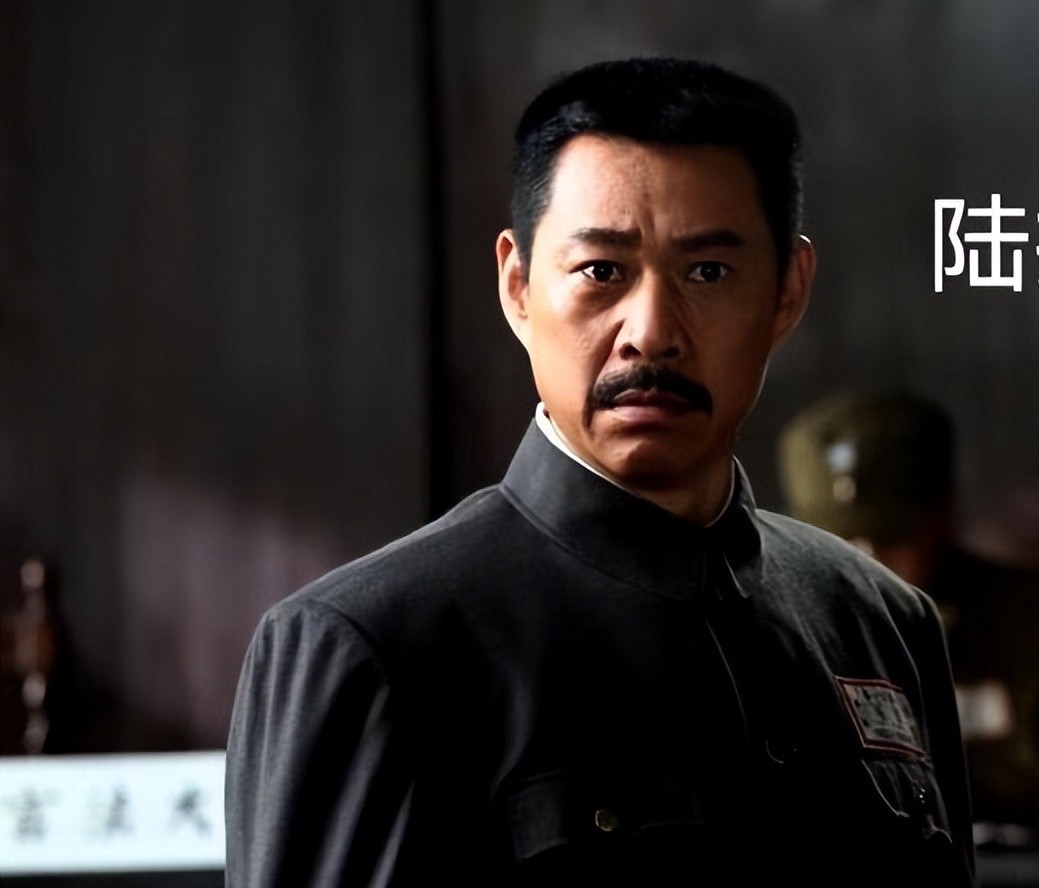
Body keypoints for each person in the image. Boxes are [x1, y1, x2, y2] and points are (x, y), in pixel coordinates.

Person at [225, 59, 974, 884]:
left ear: (787, 294)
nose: (651, 332)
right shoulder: (373, 645)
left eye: (708, 272)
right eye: (601, 271)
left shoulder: (882, 623)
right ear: (518, 286)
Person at [779, 389, 1039, 846]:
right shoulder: (770, 635)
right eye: (836, 542)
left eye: (894, 536)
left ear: (944, 513)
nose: (866, 559)